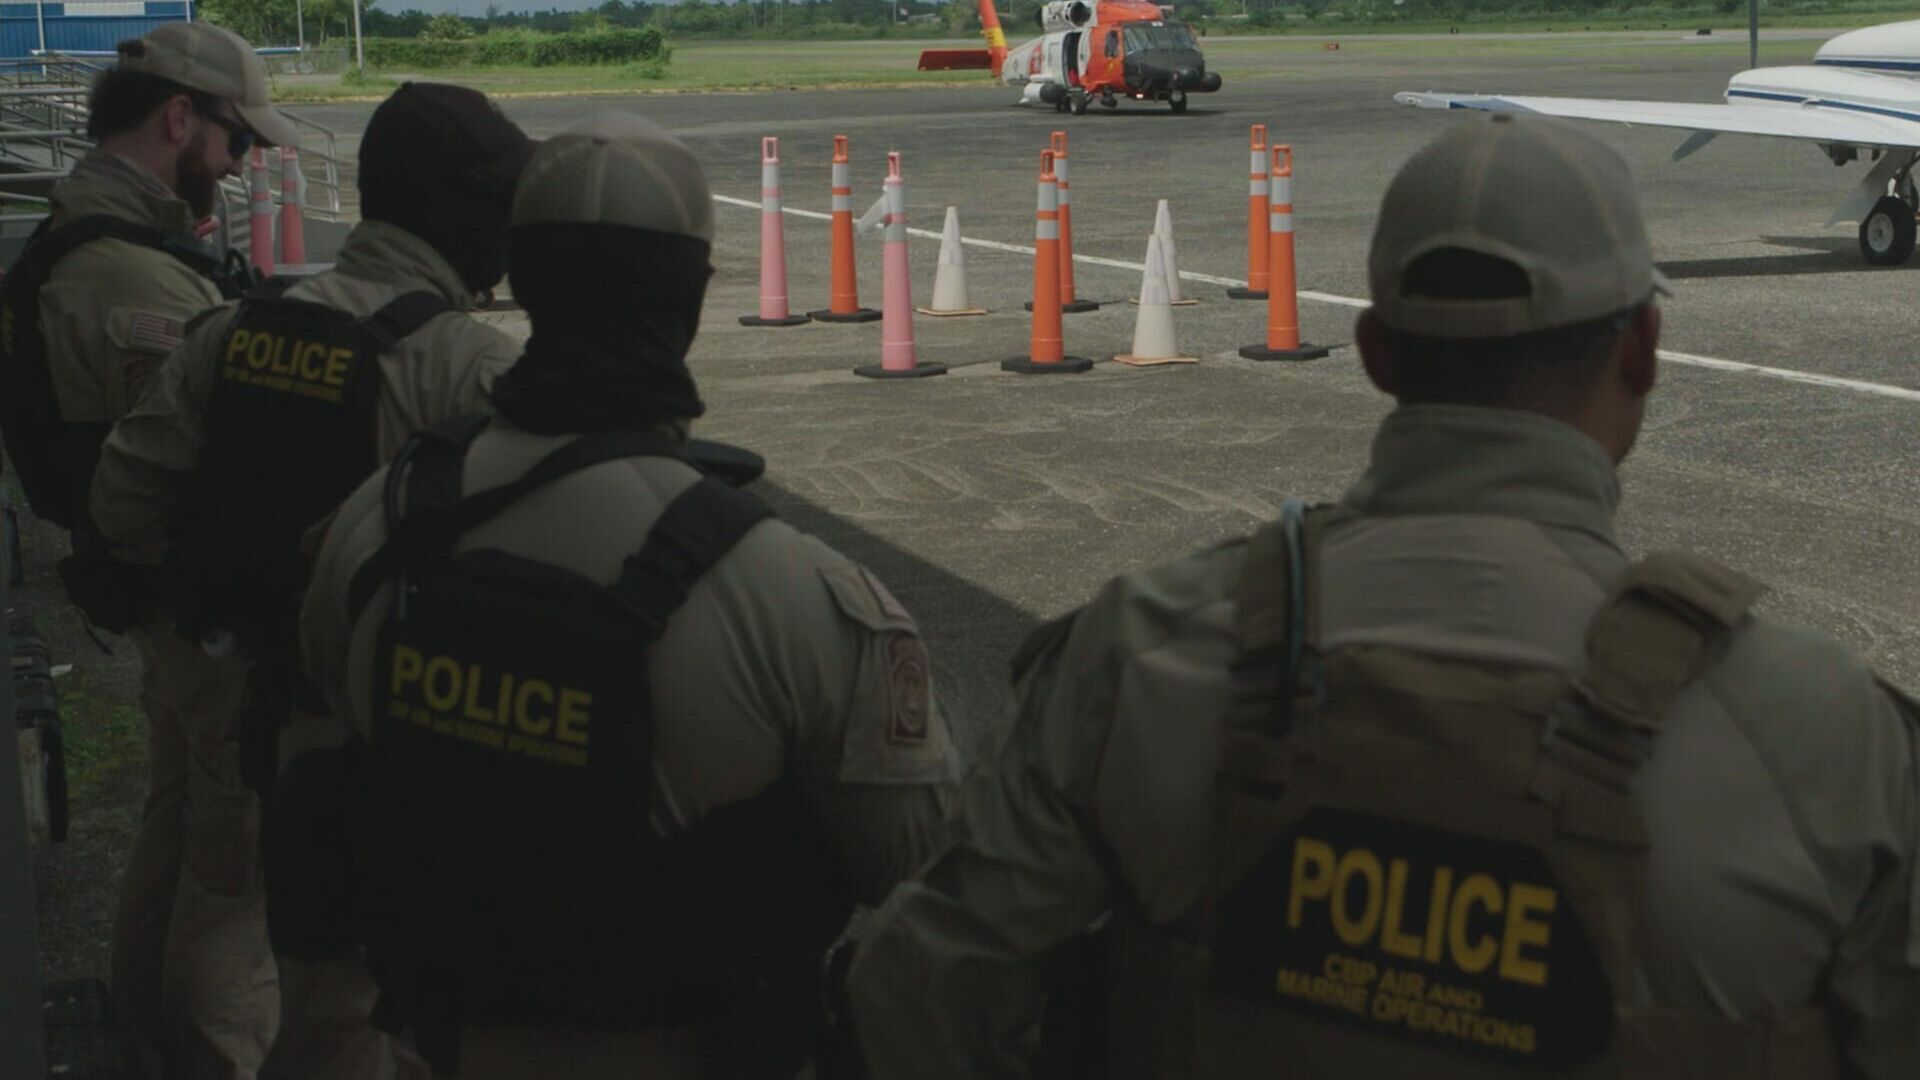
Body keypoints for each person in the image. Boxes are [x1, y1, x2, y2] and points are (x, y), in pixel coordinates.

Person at [846, 113, 1920, 1080]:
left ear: (1373, 352)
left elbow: (916, 997)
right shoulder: (1824, 734)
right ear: (1641, 350)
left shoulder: (1142, 654)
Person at [293, 112, 959, 1079]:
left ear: (519, 279)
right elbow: (936, 891)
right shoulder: (790, 596)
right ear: (690, 302)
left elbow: (338, 734)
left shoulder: (377, 529)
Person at [86, 82, 534, 1080]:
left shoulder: (236, 326)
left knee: (217, 900)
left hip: (225, 677)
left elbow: (122, 502)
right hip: (366, 721)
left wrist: (210, 617)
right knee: (337, 979)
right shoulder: (464, 367)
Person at [0, 23, 293, 1080]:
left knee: (173, 848)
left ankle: (145, 1044)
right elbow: (201, 473)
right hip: (202, 622)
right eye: (235, 139)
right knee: (234, 890)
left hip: (162, 618)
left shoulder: (96, 243)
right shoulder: (131, 279)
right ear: (181, 117)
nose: (241, 162)